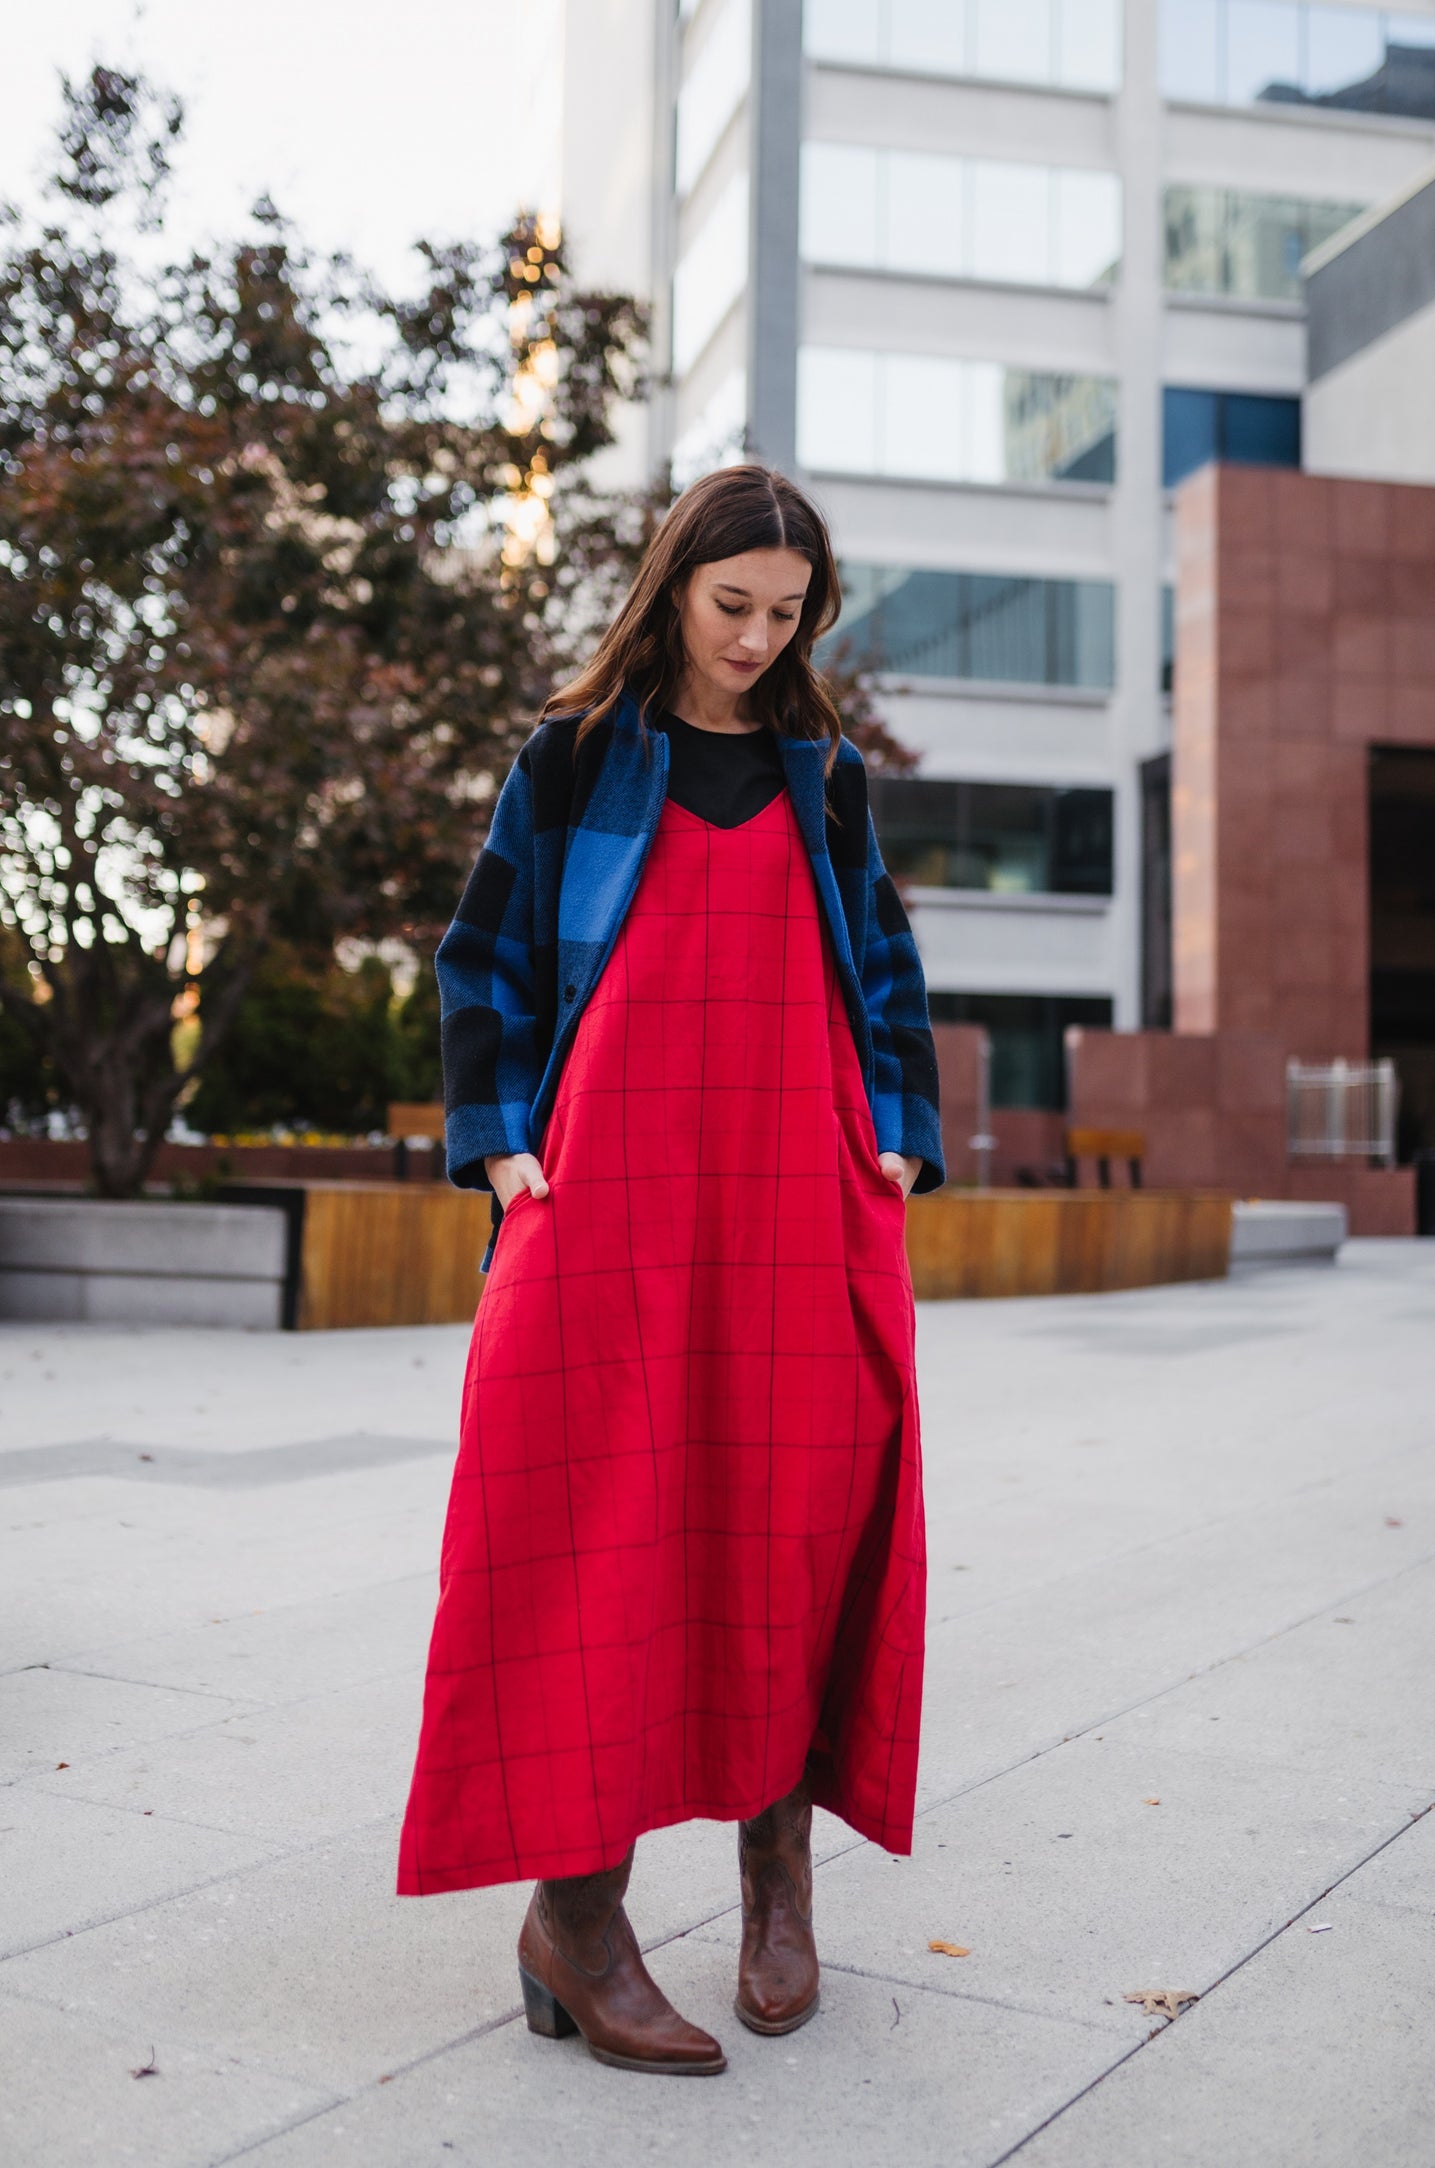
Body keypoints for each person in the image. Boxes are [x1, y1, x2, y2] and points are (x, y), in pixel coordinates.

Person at [397, 464, 944, 2077]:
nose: (755, 640)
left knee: (785, 1511)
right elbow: (485, 956)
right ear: (671, 590)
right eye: (732, 607)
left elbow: (889, 969)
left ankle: (777, 1876)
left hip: (796, 1187)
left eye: (786, 616)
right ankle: (577, 1914)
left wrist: (897, 1136)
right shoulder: (571, 760)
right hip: (610, 1190)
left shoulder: (820, 774)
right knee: (591, 1524)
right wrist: (501, 1146)